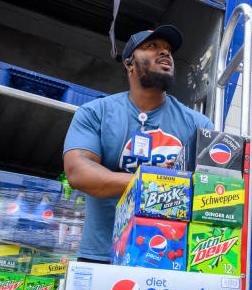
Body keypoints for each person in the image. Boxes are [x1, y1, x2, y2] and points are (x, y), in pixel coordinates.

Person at [62, 25, 213, 263]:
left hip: (171, 258)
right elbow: (78, 172)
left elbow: (210, 190)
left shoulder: (198, 125)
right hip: (103, 257)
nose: (165, 53)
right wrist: (151, 180)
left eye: (168, 50)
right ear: (129, 63)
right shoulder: (96, 113)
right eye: (152, 46)